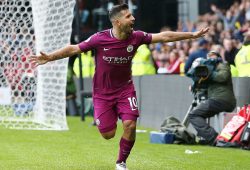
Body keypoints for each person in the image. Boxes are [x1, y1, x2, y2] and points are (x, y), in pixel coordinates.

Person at [30, 3, 209, 170]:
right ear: (117, 22)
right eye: (129, 16)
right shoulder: (100, 39)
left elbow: (164, 37)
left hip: (125, 89)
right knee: (108, 134)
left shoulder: (137, 37)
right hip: (102, 93)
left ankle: (121, 162)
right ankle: (108, 114)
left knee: (130, 125)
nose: (133, 19)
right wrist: (50, 57)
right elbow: (74, 49)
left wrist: (191, 35)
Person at [188, 51, 236, 146]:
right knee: (197, 114)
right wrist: (196, 86)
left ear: (218, 57)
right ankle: (209, 137)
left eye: (212, 56)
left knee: (193, 115)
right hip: (217, 99)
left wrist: (208, 74)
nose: (209, 58)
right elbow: (208, 86)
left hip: (221, 100)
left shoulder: (223, 65)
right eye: (208, 56)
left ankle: (213, 138)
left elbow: (223, 77)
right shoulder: (210, 68)